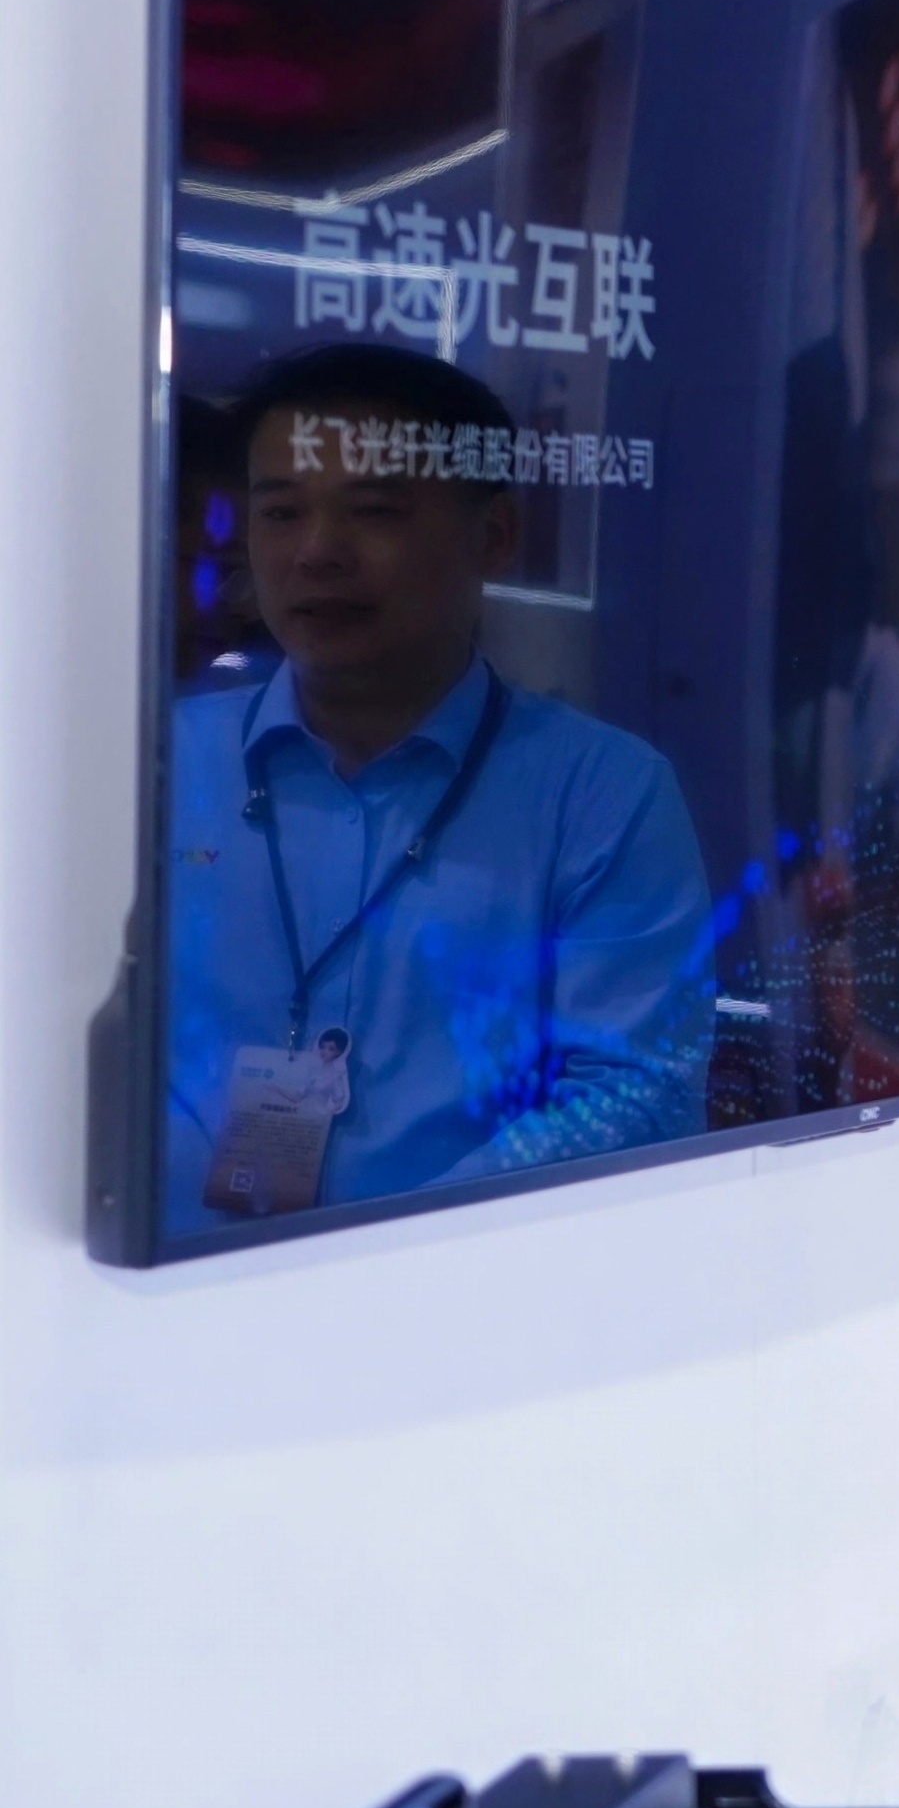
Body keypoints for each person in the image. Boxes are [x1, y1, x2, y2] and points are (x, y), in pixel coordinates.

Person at [164, 342, 712, 1231]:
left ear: (492, 536)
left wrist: (383, 1259)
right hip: (149, 1286)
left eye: (374, 511)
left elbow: (636, 1097)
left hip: (467, 1290)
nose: (317, 552)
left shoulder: (604, 794)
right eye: (281, 512)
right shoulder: (163, 762)